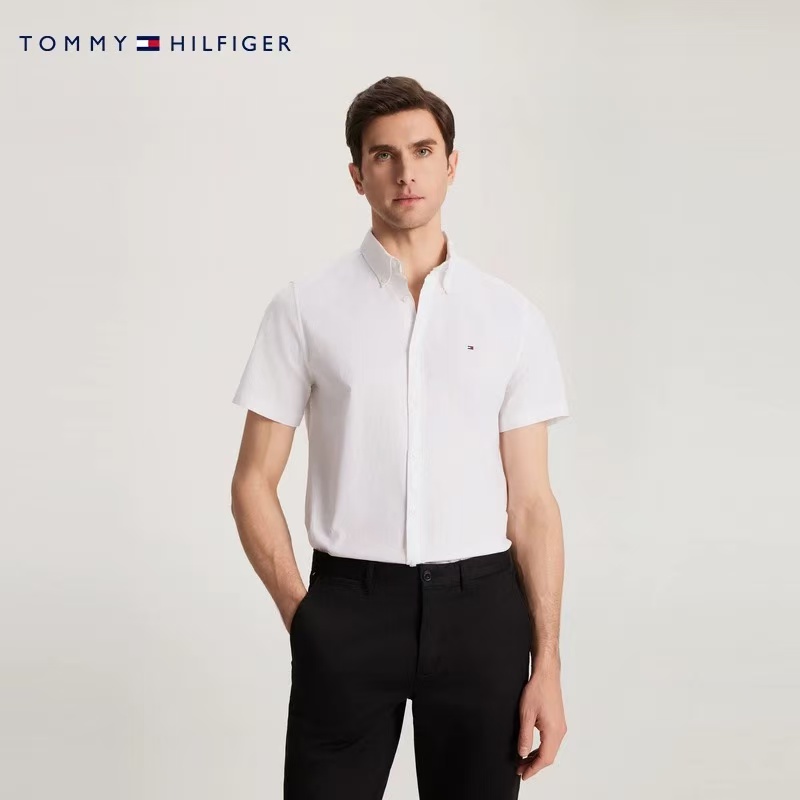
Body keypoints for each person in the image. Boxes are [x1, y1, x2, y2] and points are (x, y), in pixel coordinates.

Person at [230, 76, 570, 799]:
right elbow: (253, 481)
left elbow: (533, 504)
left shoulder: (510, 317)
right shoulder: (305, 309)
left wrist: (548, 663)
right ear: (358, 175)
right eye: (383, 155)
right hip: (349, 606)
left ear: (452, 164)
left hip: (482, 612)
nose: (405, 171)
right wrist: (305, 618)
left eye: (422, 150)